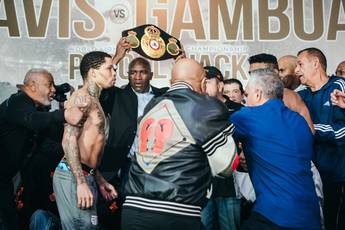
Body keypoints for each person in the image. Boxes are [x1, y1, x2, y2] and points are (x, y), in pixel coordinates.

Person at [121, 58, 238, 230]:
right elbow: (226, 166)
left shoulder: (152, 105)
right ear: (204, 83)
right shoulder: (205, 106)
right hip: (176, 211)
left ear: (171, 82)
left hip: (131, 209)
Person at [231, 69, 321, 230]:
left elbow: (211, 135)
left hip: (275, 215)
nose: (245, 100)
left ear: (258, 94)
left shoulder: (247, 117)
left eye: (247, 94)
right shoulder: (300, 121)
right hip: (310, 214)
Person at [0, 68, 84, 230]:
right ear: (32, 86)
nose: (53, 89)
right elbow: (33, 120)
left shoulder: (31, 105)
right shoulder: (19, 101)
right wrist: (65, 114)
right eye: (49, 85)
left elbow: (46, 142)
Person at [53, 51, 117, 230]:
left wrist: (99, 179)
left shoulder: (95, 100)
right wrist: (80, 182)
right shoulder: (83, 99)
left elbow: (87, 147)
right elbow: (68, 141)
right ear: (93, 72)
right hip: (73, 175)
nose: (114, 73)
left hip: (84, 174)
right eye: (110, 68)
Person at [99, 38, 168, 201]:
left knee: (152, 207)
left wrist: (181, 60)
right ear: (128, 74)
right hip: (123, 163)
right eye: (133, 72)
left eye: (142, 72)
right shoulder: (117, 95)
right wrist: (116, 58)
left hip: (155, 163)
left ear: (151, 75)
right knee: (122, 208)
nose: (137, 77)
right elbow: (97, 88)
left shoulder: (163, 96)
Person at [296, 47, 345, 230]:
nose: (296, 70)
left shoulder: (338, 86)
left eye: (300, 64)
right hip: (313, 178)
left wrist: (311, 128)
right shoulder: (300, 96)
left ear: (315, 63)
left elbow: (343, 131)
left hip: (338, 176)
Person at [202, 66, 242, 230]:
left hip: (229, 182)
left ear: (220, 85)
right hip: (203, 183)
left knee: (230, 226)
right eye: (201, 82)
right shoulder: (195, 109)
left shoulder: (238, 110)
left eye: (208, 81)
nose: (203, 85)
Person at [248, 53, 314, 132]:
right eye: (251, 73)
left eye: (258, 72)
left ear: (275, 72)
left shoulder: (290, 97)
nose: (254, 77)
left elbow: (310, 130)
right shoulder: (252, 97)